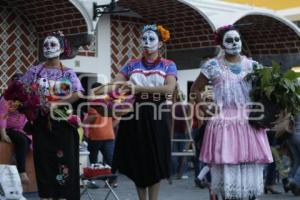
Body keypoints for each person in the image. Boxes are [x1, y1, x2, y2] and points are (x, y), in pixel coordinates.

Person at [94, 24, 177, 200]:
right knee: (138, 158)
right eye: (144, 39)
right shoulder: (132, 64)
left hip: (157, 114)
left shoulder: (168, 65)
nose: (147, 42)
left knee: (155, 159)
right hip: (134, 115)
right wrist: (102, 90)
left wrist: (137, 88)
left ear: (160, 44)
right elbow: (117, 83)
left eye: (151, 39)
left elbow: (169, 88)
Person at [190, 25, 273, 200]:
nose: (234, 43)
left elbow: (265, 91)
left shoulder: (253, 65)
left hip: (250, 123)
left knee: (249, 169)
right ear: (222, 44)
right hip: (224, 124)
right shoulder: (213, 65)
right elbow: (195, 90)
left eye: (237, 39)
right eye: (229, 40)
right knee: (228, 171)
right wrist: (206, 108)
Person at [21, 31, 83, 200]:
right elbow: (20, 90)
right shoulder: (34, 71)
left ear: (62, 48)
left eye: (53, 45)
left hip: (63, 124)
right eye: (46, 45)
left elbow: (78, 93)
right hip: (41, 124)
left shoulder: (68, 73)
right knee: (44, 164)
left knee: (65, 164)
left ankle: (63, 197)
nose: (48, 48)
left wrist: (58, 103)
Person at [83, 82, 118, 188]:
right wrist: (108, 127)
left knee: (93, 160)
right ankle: (112, 181)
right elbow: (118, 118)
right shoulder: (109, 103)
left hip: (96, 137)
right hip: (108, 136)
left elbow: (91, 118)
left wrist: (81, 123)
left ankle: (93, 181)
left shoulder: (94, 104)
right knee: (110, 159)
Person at [0, 74, 31, 184]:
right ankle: (21, 172)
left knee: (30, 139)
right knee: (22, 140)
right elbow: (2, 115)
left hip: (19, 128)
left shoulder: (26, 97)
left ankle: (16, 160)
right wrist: (3, 135)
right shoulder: (6, 98)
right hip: (5, 128)